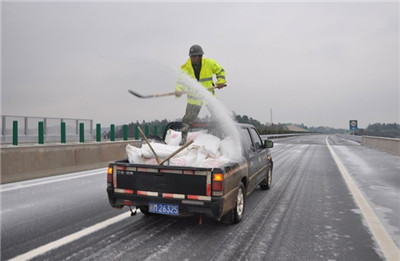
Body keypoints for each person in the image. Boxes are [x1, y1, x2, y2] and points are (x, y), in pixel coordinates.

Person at [175, 44, 227, 145]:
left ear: (200, 56)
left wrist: (220, 81)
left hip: (208, 97)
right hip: (194, 99)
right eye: (192, 56)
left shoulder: (209, 63)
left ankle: (219, 137)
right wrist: (178, 90)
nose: (193, 58)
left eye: (195, 56)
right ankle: (183, 140)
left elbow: (220, 71)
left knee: (218, 116)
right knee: (187, 120)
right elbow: (180, 82)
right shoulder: (185, 67)